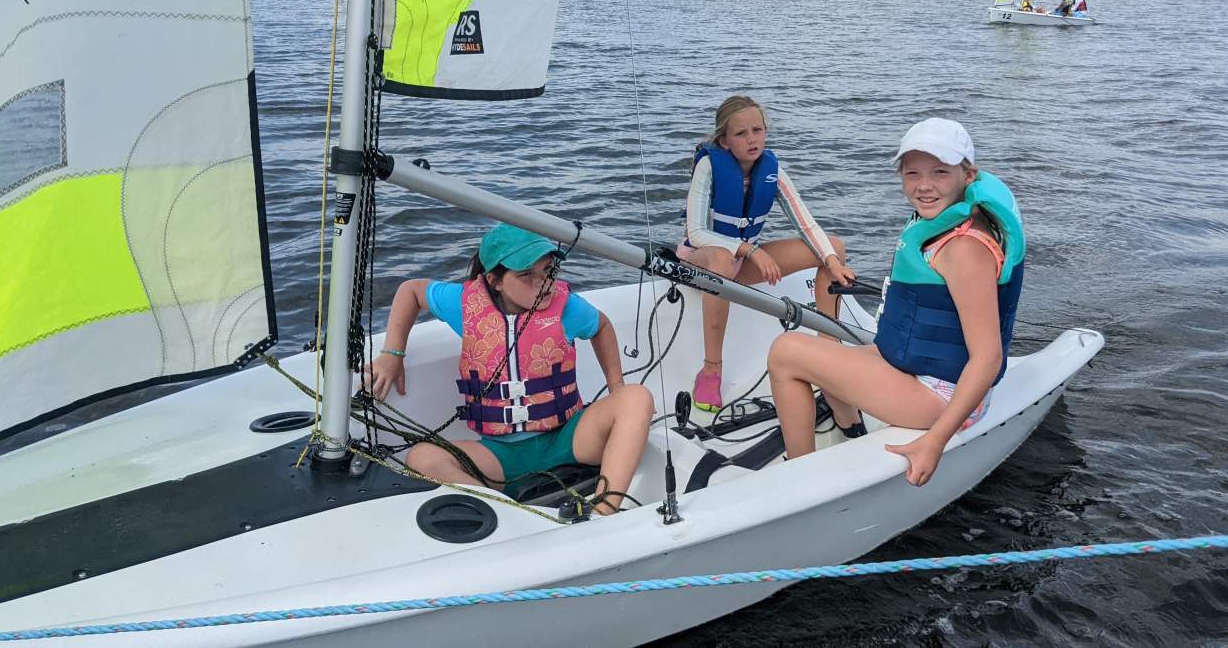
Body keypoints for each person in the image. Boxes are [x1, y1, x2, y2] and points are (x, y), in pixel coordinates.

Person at [767, 118, 1026, 486]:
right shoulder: (946, 222)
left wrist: (934, 443)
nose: (924, 185)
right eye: (912, 173)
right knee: (824, 355)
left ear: (968, 175)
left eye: (940, 172)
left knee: (786, 352)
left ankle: (798, 478)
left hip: (944, 397)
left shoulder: (965, 250)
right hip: (923, 371)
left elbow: (988, 358)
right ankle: (849, 425)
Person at [364, 224, 655, 514]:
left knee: (636, 397)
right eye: (526, 275)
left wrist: (616, 387)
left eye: (548, 270)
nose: (543, 283)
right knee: (422, 457)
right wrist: (392, 354)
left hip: (569, 439)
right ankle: (510, 515)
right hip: (500, 457)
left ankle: (604, 510)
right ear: (495, 281)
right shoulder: (465, 306)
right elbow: (411, 291)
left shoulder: (566, 308)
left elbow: (601, 325)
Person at [680, 95, 855, 413]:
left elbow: (806, 224)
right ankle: (711, 371)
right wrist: (750, 249)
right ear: (724, 140)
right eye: (741, 134)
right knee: (720, 258)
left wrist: (831, 261)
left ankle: (829, 354)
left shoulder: (772, 170)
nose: (752, 140)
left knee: (835, 248)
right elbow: (696, 233)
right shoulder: (708, 166)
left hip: (741, 264)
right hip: (700, 262)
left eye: (757, 131)